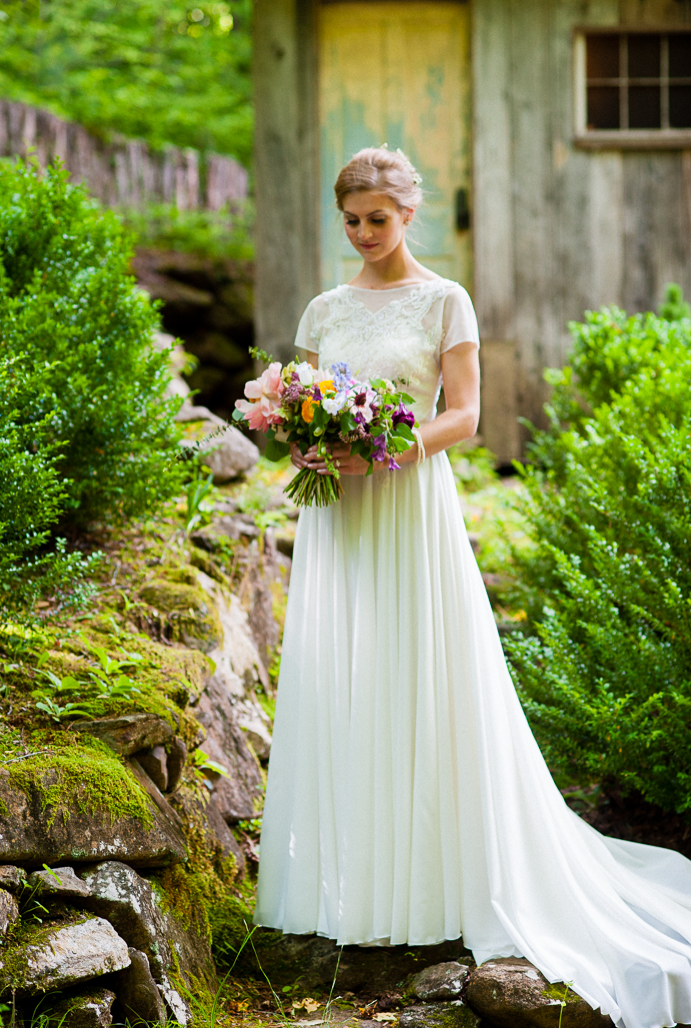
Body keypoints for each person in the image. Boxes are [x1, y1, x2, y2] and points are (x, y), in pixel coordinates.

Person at [255, 146, 691, 1028]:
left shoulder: (445, 300)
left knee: (426, 678)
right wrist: (303, 443)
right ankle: (356, 883)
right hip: (338, 516)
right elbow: (294, 399)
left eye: (378, 218)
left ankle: (437, 883)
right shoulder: (323, 307)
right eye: (350, 219)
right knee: (346, 680)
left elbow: (465, 415)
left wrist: (384, 450)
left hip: (409, 505)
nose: (364, 233)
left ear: (408, 214)